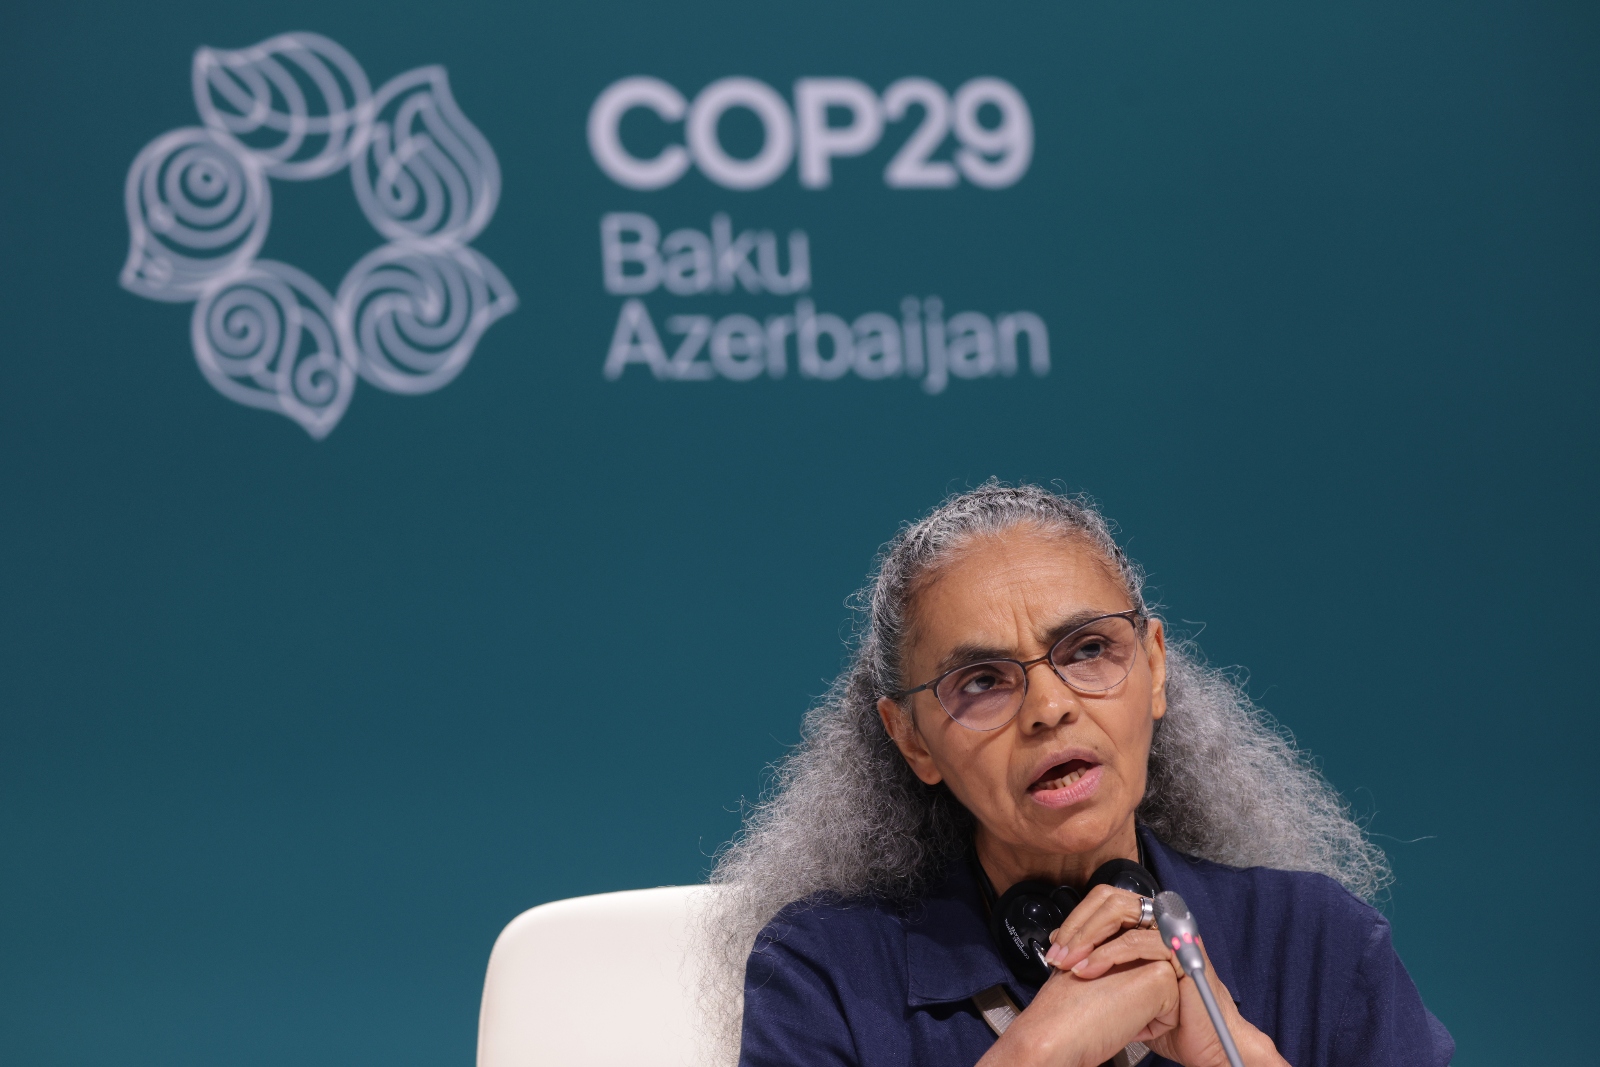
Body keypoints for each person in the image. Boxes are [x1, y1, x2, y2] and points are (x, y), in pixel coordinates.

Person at [703, 482, 1452, 1067]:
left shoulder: (1313, 940)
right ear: (913, 740)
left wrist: (1235, 1051)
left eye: (1089, 649)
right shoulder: (826, 972)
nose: (1050, 707)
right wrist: (1038, 1050)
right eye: (982, 681)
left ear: (1154, 667)